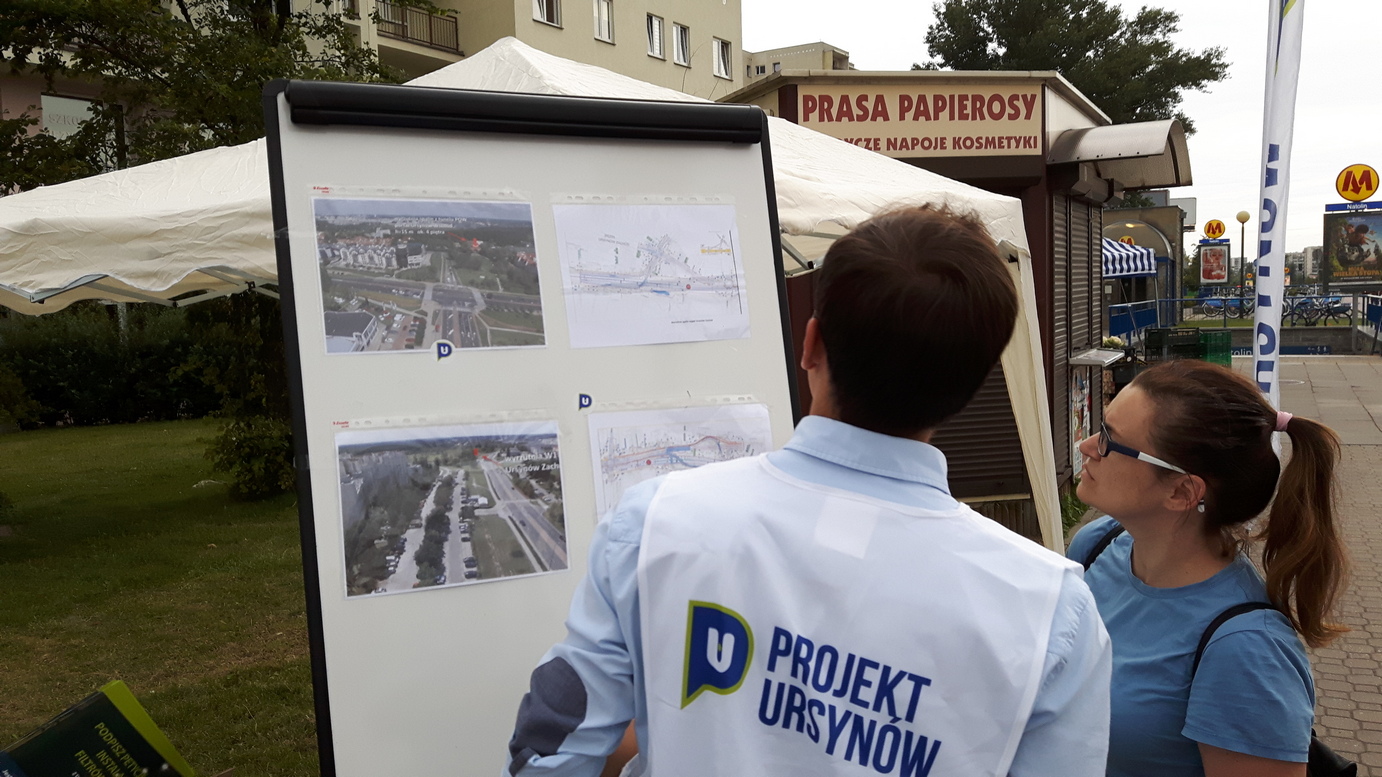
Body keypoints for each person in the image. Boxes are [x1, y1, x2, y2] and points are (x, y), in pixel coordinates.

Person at [504, 205, 1112, 777]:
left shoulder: (656, 520)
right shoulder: (1049, 612)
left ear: (811, 344)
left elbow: (550, 753)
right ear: (973, 383)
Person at [1067, 360, 1348, 777]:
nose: (1087, 446)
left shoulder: (1246, 650)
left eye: (1109, 439)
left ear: (1182, 491)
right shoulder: (1096, 545)